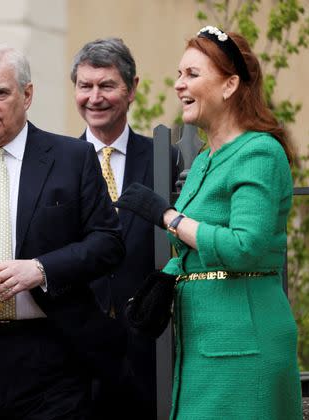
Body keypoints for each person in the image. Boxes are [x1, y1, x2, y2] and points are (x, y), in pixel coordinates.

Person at [0, 45, 126, 420]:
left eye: (0, 93)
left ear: (27, 95)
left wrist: (41, 268)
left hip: (52, 354)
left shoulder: (72, 158)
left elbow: (108, 242)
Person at [115, 26, 302, 419]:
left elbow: (244, 247)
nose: (179, 85)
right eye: (179, 74)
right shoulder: (204, 159)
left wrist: (166, 215)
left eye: (192, 75)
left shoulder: (259, 152)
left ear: (231, 84)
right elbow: (192, 249)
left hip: (244, 347)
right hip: (202, 346)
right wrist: (160, 283)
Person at [71, 38, 180, 419]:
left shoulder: (166, 159)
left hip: (152, 350)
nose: (95, 97)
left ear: (132, 89)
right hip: (80, 358)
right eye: (85, 86)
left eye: (107, 86)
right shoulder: (59, 164)